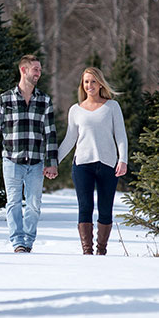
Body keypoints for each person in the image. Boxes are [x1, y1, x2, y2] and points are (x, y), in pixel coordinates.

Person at [0, 54, 59, 253]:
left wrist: (52, 162)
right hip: (11, 161)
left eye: (40, 70)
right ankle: (18, 242)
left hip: (36, 163)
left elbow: (50, 134)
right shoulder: (5, 99)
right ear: (23, 70)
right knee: (13, 203)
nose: (38, 74)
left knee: (34, 205)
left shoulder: (44, 100)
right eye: (36, 70)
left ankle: (28, 241)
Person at [58, 66, 128, 255]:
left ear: (100, 83)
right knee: (85, 208)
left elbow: (121, 136)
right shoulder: (75, 110)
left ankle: (101, 250)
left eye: (93, 81)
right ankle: (87, 251)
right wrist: (53, 161)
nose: (90, 85)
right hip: (82, 165)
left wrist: (123, 160)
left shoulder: (112, 106)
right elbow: (69, 140)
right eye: (86, 81)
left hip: (108, 164)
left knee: (105, 209)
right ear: (83, 84)